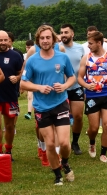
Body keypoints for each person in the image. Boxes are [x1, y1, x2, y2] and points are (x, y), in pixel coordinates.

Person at [20, 25, 76, 186]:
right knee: (50, 144)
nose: (45, 41)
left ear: (53, 39)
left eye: (48, 38)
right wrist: (39, 87)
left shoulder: (62, 57)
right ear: (38, 40)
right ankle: (57, 174)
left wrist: (65, 86)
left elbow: (72, 77)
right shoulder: (32, 60)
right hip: (42, 107)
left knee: (64, 143)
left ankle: (65, 162)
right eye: (42, 38)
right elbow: (24, 83)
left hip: (60, 103)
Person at [77, 31, 107, 163]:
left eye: (91, 43)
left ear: (99, 43)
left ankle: (103, 153)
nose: (88, 46)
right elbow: (79, 78)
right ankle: (92, 142)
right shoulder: (86, 58)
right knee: (94, 128)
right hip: (91, 96)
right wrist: (86, 85)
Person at [0, 31, 24, 159]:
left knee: (9, 126)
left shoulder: (16, 55)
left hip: (10, 96)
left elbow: (21, 73)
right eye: (0, 40)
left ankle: (8, 150)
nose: (3, 43)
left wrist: (18, 77)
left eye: (5, 40)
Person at [59, 23, 86, 155]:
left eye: (66, 32)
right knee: (61, 117)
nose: (63, 35)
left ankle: (75, 142)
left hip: (76, 87)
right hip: (60, 88)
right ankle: (62, 143)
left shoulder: (80, 48)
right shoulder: (57, 48)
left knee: (78, 116)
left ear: (72, 34)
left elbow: (83, 67)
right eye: (61, 32)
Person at [23, 39, 35, 120]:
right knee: (30, 96)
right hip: (29, 79)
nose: (28, 49)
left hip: (37, 79)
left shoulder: (38, 55)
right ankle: (29, 112)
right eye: (27, 47)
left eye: (30, 47)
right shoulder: (24, 56)